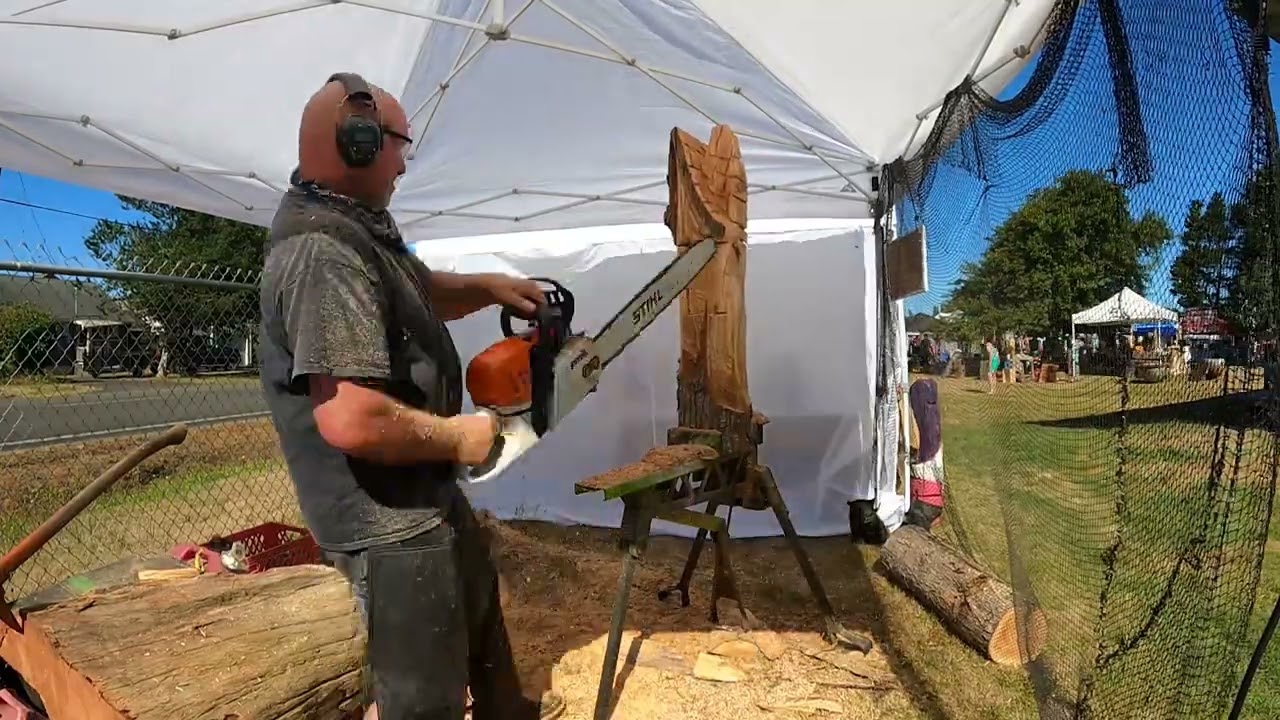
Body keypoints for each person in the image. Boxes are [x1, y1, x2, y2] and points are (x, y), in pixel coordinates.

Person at [258, 73, 566, 720]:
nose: (402, 162)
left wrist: (486, 287)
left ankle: (507, 711)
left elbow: (414, 287)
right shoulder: (323, 253)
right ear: (360, 143)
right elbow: (348, 417)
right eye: (398, 145)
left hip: (416, 487)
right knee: (422, 693)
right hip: (382, 519)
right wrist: (459, 436)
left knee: (480, 612)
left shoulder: (354, 224)